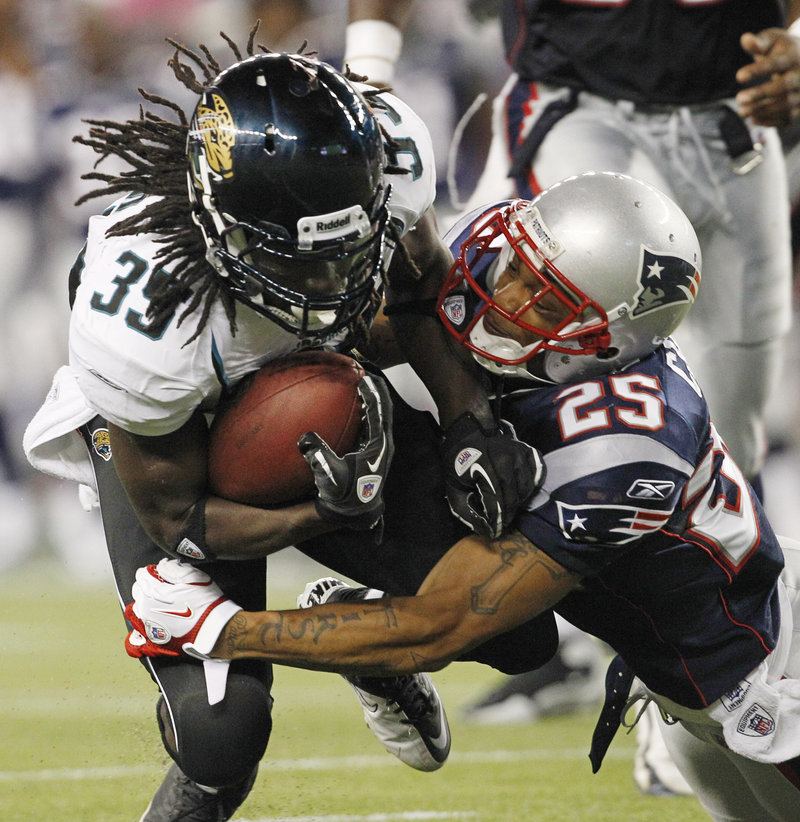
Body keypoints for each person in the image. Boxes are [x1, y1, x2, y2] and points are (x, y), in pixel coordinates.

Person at [126, 171, 800, 822]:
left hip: (764, 684)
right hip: (684, 682)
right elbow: (352, 333)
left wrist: (220, 630)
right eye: (514, 261)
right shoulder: (535, 327)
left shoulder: (624, 448)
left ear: (600, 344)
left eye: (540, 293)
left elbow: (437, 625)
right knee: (320, 408)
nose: (500, 287)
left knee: (496, 620)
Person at [23, 24, 551, 822]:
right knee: (222, 738)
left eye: (349, 250)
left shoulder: (389, 152)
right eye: (304, 260)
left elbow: (413, 293)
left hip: (315, 385)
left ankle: (358, 630)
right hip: (190, 438)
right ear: (217, 228)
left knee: (517, 625)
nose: (334, 280)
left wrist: (469, 421)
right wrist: (323, 512)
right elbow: (180, 518)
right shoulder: (144, 325)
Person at [344, 0, 800, 787]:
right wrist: (369, 72)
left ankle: (720, 663)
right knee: (532, 333)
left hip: (735, 123)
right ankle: (431, 577)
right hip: (575, 101)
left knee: (728, 426)